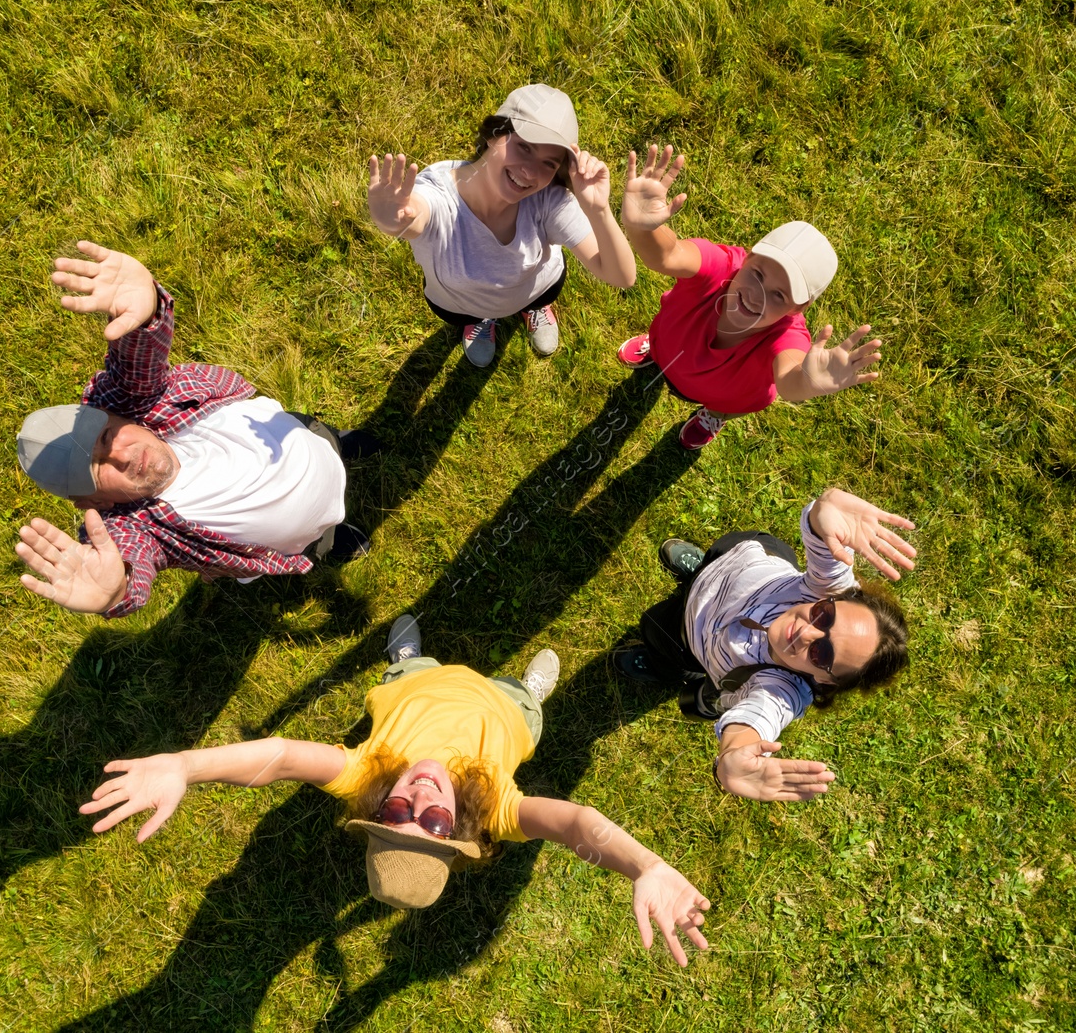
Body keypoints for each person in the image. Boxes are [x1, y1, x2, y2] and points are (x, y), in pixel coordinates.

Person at [79, 617, 714, 965]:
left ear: (378, 808)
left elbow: (274, 758)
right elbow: (577, 824)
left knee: (409, 667)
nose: (419, 795)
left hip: (416, 686)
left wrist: (185, 766)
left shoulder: (365, 771)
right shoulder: (496, 809)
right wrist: (646, 866)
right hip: (508, 712)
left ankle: (406, 656)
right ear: (459, 833)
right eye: (432, 821)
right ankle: (532, 688)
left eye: (397, 813)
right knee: (525, 702)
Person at [14, 241, 373, 619]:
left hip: (301, 436)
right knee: (322, 540)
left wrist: (145, 306)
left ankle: (337, 444)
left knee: (326, 440)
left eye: (106, 438)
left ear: (115, 416)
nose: (123, 456)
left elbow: (136, 361)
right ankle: (332, 539)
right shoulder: (134, 524)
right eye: (98, 468)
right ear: (97, 502)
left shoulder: (139, 402)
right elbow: (126, 556)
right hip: (303, 540)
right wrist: (116, 589)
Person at [614, 487, 917, 802]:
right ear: (833, 599)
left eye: (822, 653)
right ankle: (697, 571)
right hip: (732, 561)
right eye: (825, 616)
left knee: (655, 630)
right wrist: (823, 512)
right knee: (711, 562)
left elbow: (762, 716)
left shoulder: (783, 688)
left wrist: (734, 753)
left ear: (827, 679)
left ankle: (667, 669)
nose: (806, 633)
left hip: (687, 636)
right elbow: (824, 538)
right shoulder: (831, 589)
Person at [616, 144, 885, 449]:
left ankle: (713, 414)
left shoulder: (787, 335)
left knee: (726, 406)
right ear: (748, 257)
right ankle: (658, 353)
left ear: (800, 307)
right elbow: (667, 255)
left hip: (724, 394)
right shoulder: (720, 265)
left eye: (779, 295)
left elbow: (790, 380)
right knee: (666, 347)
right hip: (671, 344)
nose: (755, 296)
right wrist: (642, 229)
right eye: (757, 274)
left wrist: (808, 383)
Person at [366, 83, 636, 367]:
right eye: (524, 147)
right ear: (495, 134)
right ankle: (481, 320)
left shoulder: (549, 201)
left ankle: (534, 308)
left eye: (548, 163)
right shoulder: (440, 194)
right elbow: (416, 213)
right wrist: (390, 218)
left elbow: (622, 277)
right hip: (460, 304)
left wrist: (599, 210)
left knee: (536, 297)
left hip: (539, 286)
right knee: (471, 314)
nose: (530, 172)